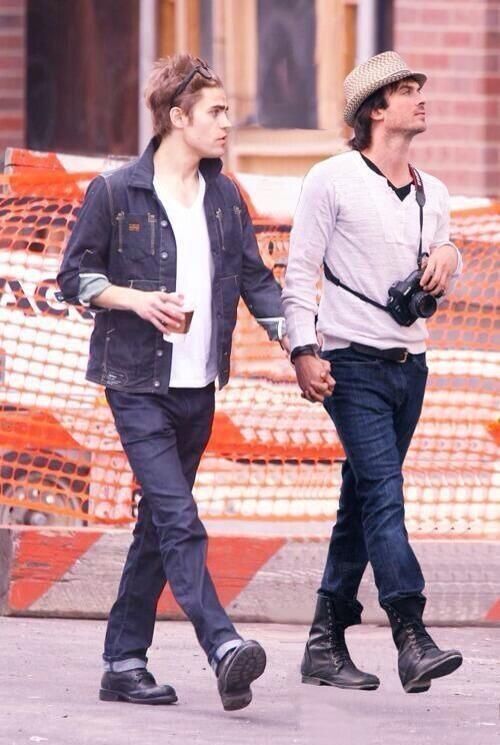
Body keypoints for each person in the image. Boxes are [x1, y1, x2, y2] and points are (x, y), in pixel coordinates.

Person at [57, 54, 287, 711]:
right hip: (135, 381)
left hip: (197, 387)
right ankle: (222, 644)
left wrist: (293, 338)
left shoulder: (224, 194)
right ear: (177, 117)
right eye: (215, 112)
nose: (228, 124)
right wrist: (135, 299)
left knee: (158, 525)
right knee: (179, 517)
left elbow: (253, 277)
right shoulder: (116, 191)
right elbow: (74, 276)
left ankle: (123, 661)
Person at [282, 51, 463, 694]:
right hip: (350, 363)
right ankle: (410, 633)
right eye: (407, 91)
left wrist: (446, 252)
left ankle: (323, 643)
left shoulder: (431, 192)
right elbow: (300, 272)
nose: (421, 98)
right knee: (385, 494)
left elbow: (444, 257)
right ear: (375, 110)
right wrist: (302, 350)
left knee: (360, 502)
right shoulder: (331, 178)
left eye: (420, 88)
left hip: (410, 366)